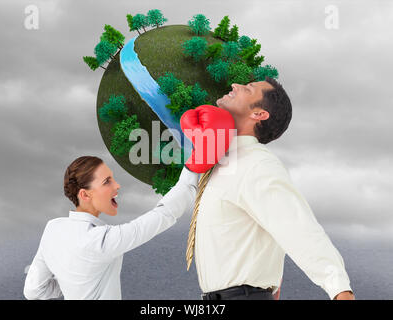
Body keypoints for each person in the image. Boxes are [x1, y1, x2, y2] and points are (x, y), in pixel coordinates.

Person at [187, 77, 355, 300]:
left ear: (259, 114)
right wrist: (274, 282)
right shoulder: (221, 161)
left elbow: (297, 227)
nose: (235, 86)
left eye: (247, 89)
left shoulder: (257, 164)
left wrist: (340, 291)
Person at [23, 156, 199, 300]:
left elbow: (33, 291)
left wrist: (72, 282)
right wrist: (193, 168)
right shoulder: (100, 241)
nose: (117, 186)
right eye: (107, 182)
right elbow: (165, 214)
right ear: (85, 194)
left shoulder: (53, 229)